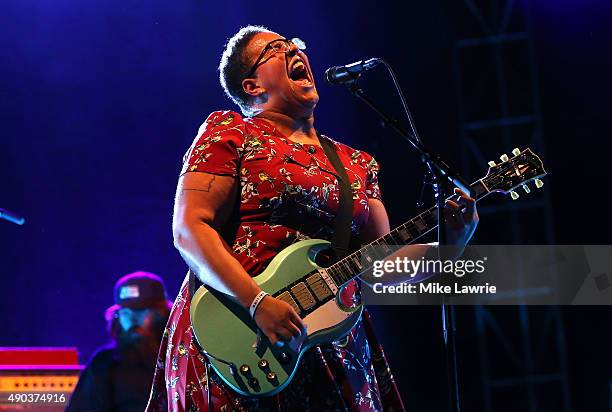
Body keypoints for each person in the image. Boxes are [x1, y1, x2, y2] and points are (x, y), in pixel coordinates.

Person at [146, 25, 478, 412]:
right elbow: (190, 229)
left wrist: (451, 245)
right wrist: (257, 304)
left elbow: (378, 266)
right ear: (252, 86)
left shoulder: (356, 164)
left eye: (295, 45)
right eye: (275, 48)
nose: (293, 50)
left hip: (328, 342)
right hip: (237, 332)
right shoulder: (231, 131)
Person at [67, 271, 172, 412]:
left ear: (162, 314)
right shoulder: (104, 364)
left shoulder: (180, 360)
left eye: (141, 311)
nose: (131, 320)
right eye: (125, 313)